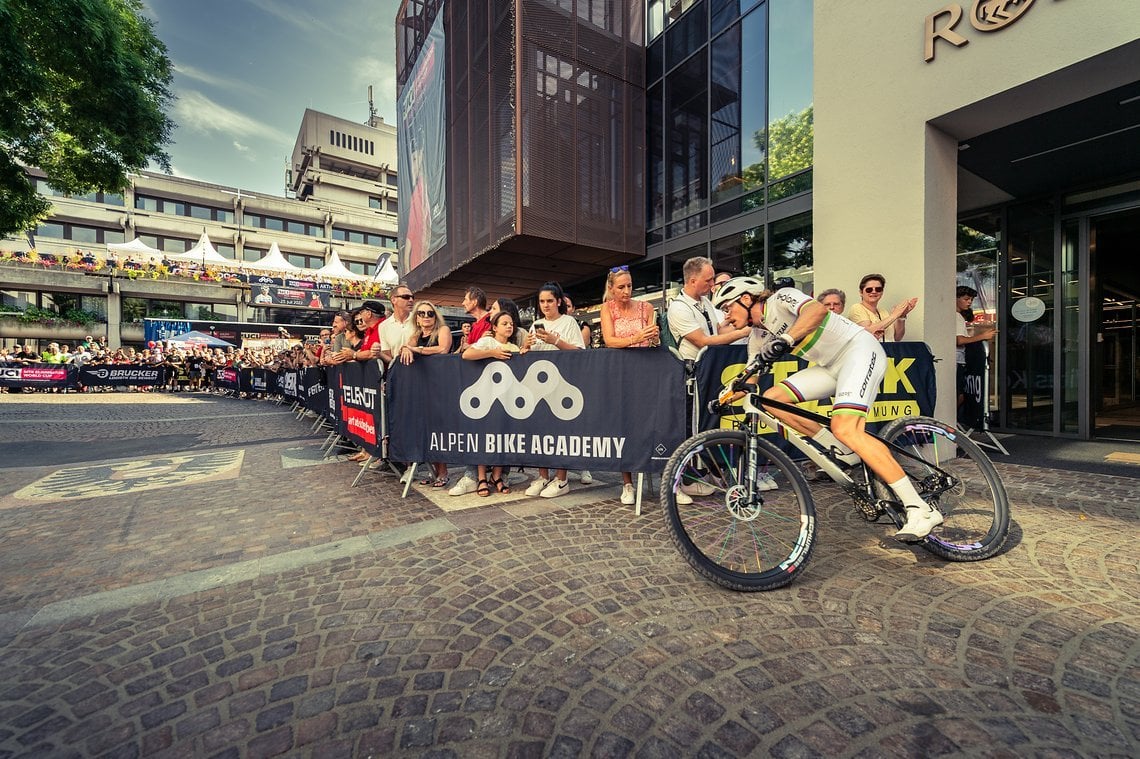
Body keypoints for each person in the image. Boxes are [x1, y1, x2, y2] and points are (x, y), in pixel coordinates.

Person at [712, 276, 944, 542]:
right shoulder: (758, 336)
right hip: (830, 366)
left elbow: (817, 310)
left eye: (727, 308)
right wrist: (727, 394)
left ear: (745, 299)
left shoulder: (781, 298)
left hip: (858, 351)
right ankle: (840, 449)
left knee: (847, 428)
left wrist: (786, 338)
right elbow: (750, 377)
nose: (727, 317)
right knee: (769, 399)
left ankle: (920, 509)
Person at [601, 265, 660, 504]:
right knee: (623, 424)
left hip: (646, 370)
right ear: (612, 289)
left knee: (649, 423)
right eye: (622, 287)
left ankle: (655, 473)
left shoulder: (647, 307)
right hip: (621, 371)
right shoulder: (608, 308)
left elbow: (655, 341)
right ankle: (627, 483)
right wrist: (636, 338)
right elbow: (609, 340)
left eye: (630, 286)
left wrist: (654, 336)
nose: (627, 291)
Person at [525, 282, 584, 499]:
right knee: (540, 431)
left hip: (562, 383)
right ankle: (542, 475)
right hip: (539, 384)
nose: (546, 305)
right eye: (542, 301)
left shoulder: (569, 322)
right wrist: (526, 346)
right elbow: (529, 354)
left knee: (560, 433)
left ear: (559, 301)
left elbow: (579, 352)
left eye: (550, 300)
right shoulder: (536, 324)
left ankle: (561, 478)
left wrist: (555, 340)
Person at [463, 310, 531, 496]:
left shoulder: (514, 347)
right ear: (494, 327)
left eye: (511, 324)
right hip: (486, 396)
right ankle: (482, 477)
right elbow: (467, 354)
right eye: (504, 323)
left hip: (506, 398)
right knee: (484, 436)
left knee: (503, 435)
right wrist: (492, 352)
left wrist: (524, 353)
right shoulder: (487, 342)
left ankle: (498, 476)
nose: (509, 326)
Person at [667, 256, 750, 361]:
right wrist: (743, 332)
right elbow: (703, 342)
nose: (712, 284)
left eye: (713, 279)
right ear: (693, 282)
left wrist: (746, 323)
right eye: (708, 280)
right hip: (696, 369)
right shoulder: (679, 307)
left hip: (714, 362)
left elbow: (718, 331)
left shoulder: (705, 300)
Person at [956, 285, 997, 413]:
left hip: (959, 360)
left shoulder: (958, 316)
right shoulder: (956, 316)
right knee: (959, 394)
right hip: (957, 360)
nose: (969, 302)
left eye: (971, 300)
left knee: (960, 393)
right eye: (966, 299)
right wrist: (982, 336)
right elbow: (959, 340)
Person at [847, 273, 917, 341]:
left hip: (888, 352)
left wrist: (901, 316)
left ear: (882, 292)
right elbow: (868, 332)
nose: (874, 292)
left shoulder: (883, 311)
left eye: (878, 289)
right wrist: (895, 315)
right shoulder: (857, 308)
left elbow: (896, 338)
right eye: (869, 289)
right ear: (861, 292)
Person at [399, 300, 453, 364]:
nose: (426, 316)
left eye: (430, 313)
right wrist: (405, 349)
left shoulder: (443, 329)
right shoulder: (417, 335)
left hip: (440, 369)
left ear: (435, 317)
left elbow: (443, 349)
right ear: (416, 318)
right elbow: (408, 346)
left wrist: (418, 349)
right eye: (421, 313)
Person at [376, 285, 416, 365]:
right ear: (393, 300)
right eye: (406, 297)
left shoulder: (418, 320)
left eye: (412, 297)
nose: (411, 300)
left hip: (420, 368)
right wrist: (378, 353)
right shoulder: (383, 326)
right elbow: (388, 356)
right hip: (398, 371)